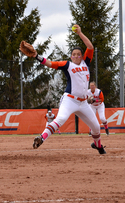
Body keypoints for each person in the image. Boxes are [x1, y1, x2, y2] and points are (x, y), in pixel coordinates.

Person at [23, 24, 106, 154]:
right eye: (74, 54)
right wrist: (36, 56)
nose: (77, 56)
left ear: (82, 56)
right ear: (71, 56)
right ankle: (41, 138)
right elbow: (50, 63)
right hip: (70, 100)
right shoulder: (68, 65)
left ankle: (99, 146)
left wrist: (80, 33)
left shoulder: (86, 63)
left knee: (96, 127)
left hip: (83, 102)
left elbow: (90, 47)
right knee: (60, 119)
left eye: (79, 54)